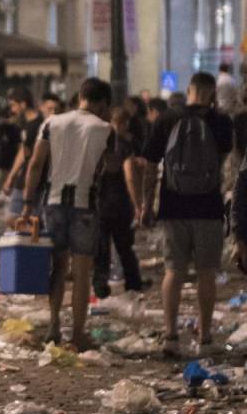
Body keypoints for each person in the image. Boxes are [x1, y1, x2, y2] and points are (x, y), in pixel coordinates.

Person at [144, 71, 233, 357]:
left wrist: (147, 204)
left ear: (190, 89)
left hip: (173, 206)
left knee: (174, 270)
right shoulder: (220, 122)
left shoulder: (167, 119)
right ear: (211, 94)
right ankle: (205, 339)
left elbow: (149, 165)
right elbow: (222, 162)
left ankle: (170, 337)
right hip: (208, 207)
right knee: (207, 272)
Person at [23, 78, 114, 350]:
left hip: (52, 203)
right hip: (85, 204)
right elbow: (109, 168)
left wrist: (28, 203)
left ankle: (53, 324)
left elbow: (36, 164)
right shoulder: (105, 129)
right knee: (82, 271)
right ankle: (77, 333)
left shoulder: (52, 122)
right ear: (101, 103)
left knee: (58, 267)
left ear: (80, 97)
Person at [92, 106, 147, 299]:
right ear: (123, 124)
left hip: (99, 202)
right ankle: (133, 283)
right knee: (124, 246)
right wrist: (138, 204)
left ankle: (100, 284)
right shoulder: (124, 145)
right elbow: (130, 176)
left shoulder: (98, 144)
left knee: (101, 248)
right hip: (120, 203)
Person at [2, 87, 43, 226]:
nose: (12, 110)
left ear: (23, 104)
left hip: (35, 181)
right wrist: (11, 176)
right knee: (14, 218)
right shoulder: (25, 124)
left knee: (26, 220)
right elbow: (23, 151)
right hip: (23, 178)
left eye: (14, 105)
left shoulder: (39, 124)